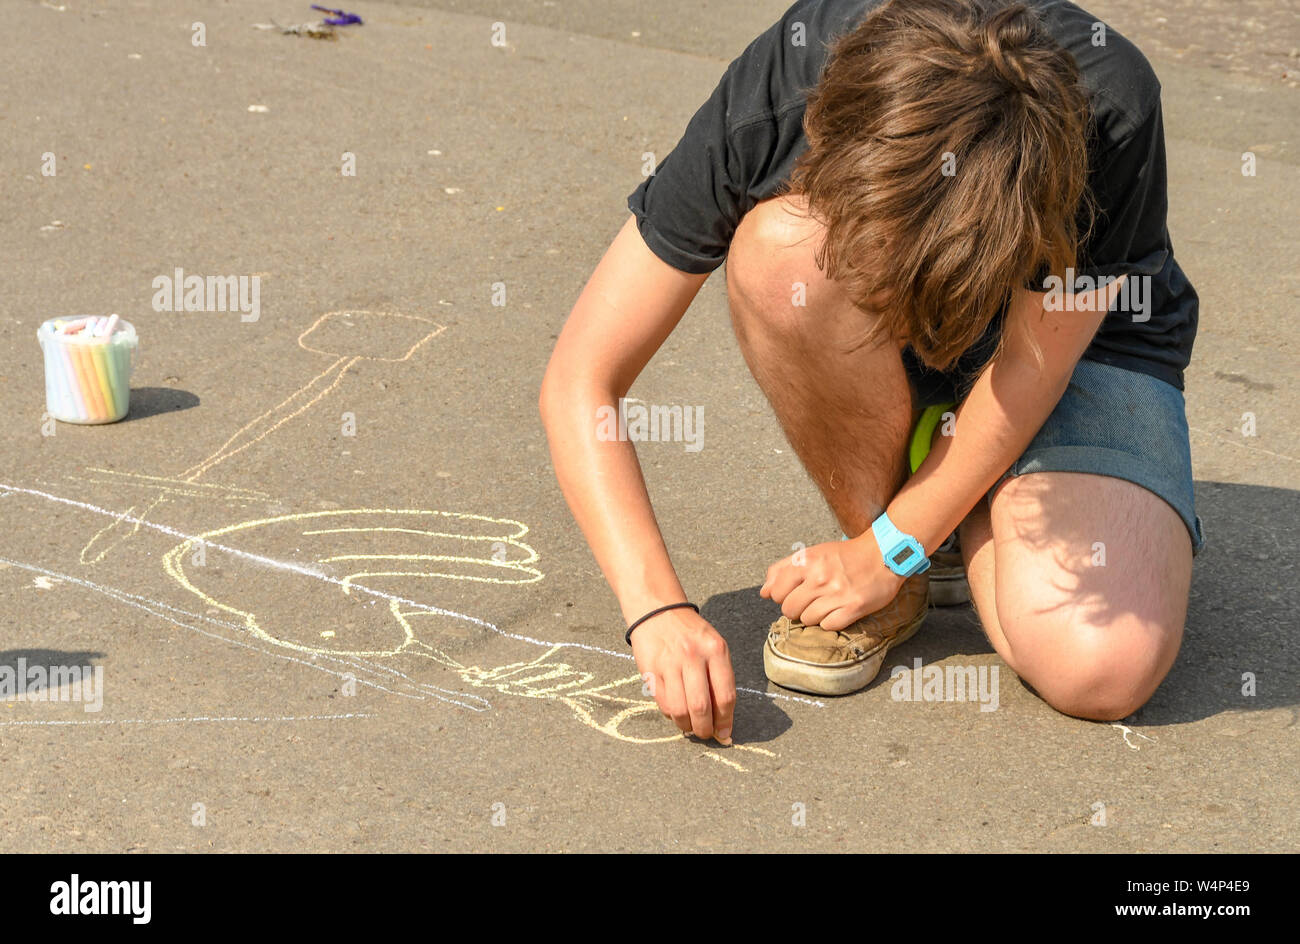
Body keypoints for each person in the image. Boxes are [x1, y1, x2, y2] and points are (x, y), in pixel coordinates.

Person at [539, 0, 1202, 742]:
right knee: (780, 253)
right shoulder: (786, 83)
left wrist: (894, 545)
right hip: (882, 335)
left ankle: (938, 505)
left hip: (1069, 351)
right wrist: (656, 609)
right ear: (825, 133)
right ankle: (917, 517)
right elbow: (582, 379)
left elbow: (1029, 363)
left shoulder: (1108, 98)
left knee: (1101, 667)